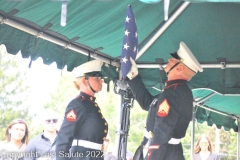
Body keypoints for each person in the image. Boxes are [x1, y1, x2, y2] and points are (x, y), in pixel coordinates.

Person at [126, 42, 203, 160]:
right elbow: (148, 103)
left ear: (180, 67)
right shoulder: (176, 90)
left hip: (162, 153)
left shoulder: (174, 93)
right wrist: (133, 77)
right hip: (165, 152)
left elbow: (162, 132)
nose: (169, 60)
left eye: (173, 59)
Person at [56, 59, 108, 160]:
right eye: (97, 78)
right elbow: (63, 140)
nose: (101, 81)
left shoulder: (90, 104)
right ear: (85, 81)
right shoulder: (78, 105)